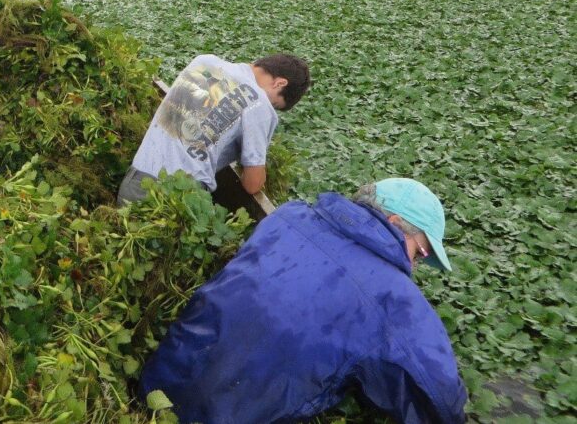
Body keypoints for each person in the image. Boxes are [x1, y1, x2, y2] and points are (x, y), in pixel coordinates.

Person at [137, 178, 468, 424]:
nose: (414, 265)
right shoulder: (394, 297)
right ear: (394, 223)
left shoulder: (290, 216)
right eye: (420, 253)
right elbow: (441, 399)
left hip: (156, 387)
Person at [118, 53, 310, 204]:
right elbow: (252, 184)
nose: (271, 107)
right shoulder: (260, 104)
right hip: (177, 197)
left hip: (134, 183)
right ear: (280, 83)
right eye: (275, 103)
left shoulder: (203, 61)